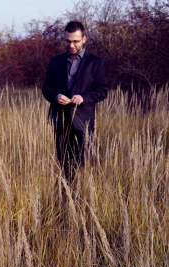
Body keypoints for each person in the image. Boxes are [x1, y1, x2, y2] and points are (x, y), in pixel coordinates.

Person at [42, 21, 108, 181]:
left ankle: (83, 195)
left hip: (83, 121)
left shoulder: (96, 62)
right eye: (67, 41)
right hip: (60, 120)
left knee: (84, 163)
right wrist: (56, 96)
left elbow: (103, 90)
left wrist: (84, 98)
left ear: (84, 39)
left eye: (75, 41)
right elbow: (46, 88)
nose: (71, 45)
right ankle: (65, 194)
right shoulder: (55, 61)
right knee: (64, 163)